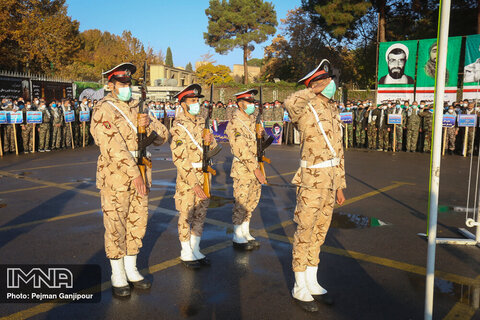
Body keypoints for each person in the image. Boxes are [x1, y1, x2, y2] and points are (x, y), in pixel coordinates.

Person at [90, 63, 168, 297]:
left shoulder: (138, 108)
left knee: (137, 220)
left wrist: (150, 124)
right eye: (122, 84)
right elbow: (111, 145)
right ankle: (117, 273)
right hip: (117, 175)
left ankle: (131, 268)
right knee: (116, 223)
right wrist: (134, 173)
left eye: (128, 84)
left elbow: (163, 136)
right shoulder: (103, 108)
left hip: (142, 170)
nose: (126, 87)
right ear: (111, 85)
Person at [284, 59, 346, 312]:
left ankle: (312, 281)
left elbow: (339, 150)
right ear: (316, 84)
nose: (332, 85)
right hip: (311, 180)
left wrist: (340, 185)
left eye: (330, 81)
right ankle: (299, 286)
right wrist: (313, 88)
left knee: (320, 232)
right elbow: (290, 103)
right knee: (305, 231)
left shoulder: (332, 110)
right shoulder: (305, 107)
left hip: (330, 181)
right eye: (327, 82)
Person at [170, 84, 218, 269]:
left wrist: (210, 140)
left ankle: (195, 247)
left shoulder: (201, 122)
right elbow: (180, 158)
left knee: (201, 212)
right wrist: (194, 183)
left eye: (197, 100)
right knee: (186, 214)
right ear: (183, 104)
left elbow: (213, 149)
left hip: (205, 173)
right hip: (187, 178)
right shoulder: (178, 127)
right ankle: (185, 250)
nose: (196, 103)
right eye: (192, 100)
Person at [225, 89, 267, 251]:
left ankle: (245, 231)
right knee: (241, 201)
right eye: (248, 102)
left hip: (256, 165)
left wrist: (261, 135)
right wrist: (256, 169)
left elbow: (260, 144)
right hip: (243, 168)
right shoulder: (235, 123)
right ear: (239, 104)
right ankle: (237, 235)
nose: (251, 105)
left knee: (252, 200)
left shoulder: (253, 121)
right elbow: (240, 148)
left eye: (253, 102)